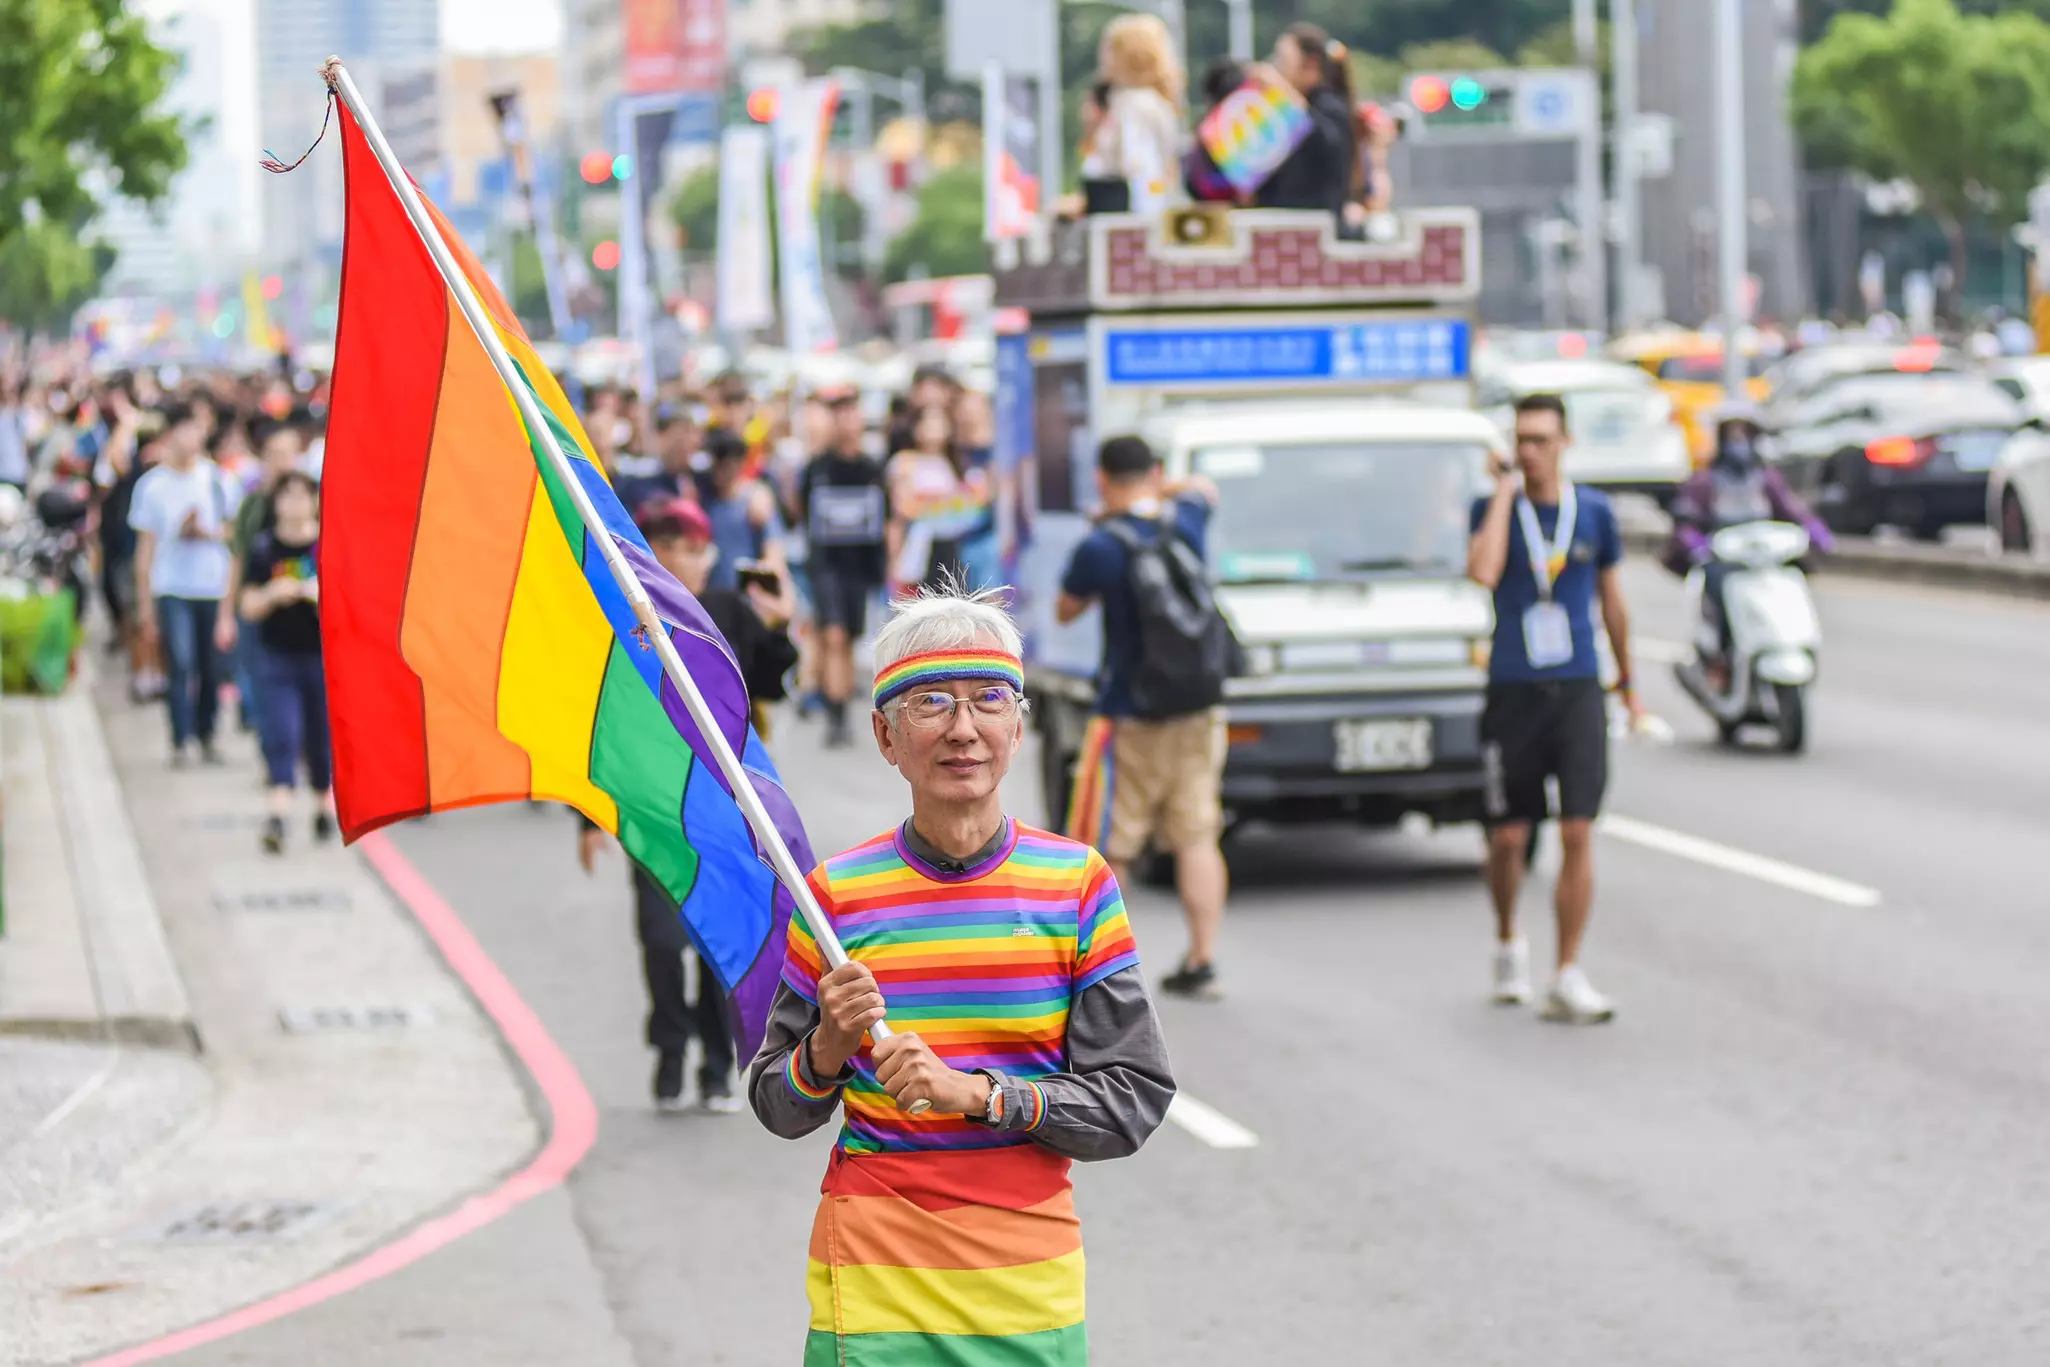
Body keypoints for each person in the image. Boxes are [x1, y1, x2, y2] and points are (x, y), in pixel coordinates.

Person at [747, 587, 1173, 1365]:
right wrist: (828, 1049)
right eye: (931, 702)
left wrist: (979, 1093)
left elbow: (1133, 1098)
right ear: (884, 733)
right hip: (874, 1278)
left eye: (989, 699)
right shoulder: (834, 896)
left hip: (1026, 1279)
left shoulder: (1075, 884)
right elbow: (777, 1102)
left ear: (1019, 723)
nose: (963, 727)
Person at [581, 497, 796, 1111]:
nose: (684, 558)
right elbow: (604, 723)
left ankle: (710, 1060)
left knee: (716, 938)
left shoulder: (727, 608)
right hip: (653, 803)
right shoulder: (621, 616)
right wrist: (587, 817)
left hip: (729, 805)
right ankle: (670, 1048)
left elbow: (778, 676)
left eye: (694, 547)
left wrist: (777, 621)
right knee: (659, 938)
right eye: (668, 545)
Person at [1466, 394, 1645, 1025]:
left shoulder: (1592, 512)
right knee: (1510, 836)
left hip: (1576, 686)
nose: (1531, 451)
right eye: (1522, 440)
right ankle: (1508, 938)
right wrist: (1504, 495)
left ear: (1566, 442)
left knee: (1576, 828)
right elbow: (1482, 572)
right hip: (1513, 686)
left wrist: (1627, 679)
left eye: (1542, 439)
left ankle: (1567, 971)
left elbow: (1612, 600)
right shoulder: (1494, 509)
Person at [1054, 435, 1230, 998]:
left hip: (1128, 714)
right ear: (1153, 472)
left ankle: (1105, 974)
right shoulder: (1186, 523)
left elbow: (1065, 608)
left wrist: (1107, 518)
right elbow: (1205, 489)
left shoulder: (1101, 545)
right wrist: (1163, 488)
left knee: (1110, 844)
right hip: (1198, 710)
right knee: (1197, 835)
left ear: (1103, 478)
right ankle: (1203, 958)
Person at [1666, 405, 1834, 689]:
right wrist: (1696, 543)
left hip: (1763, 560)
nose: (1738, 442)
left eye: (1744, 434)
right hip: (1726, 562)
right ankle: (1721, 660)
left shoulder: (1765, 479)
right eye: (1732, 434)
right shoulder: (1706, 481)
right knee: (1718, 589)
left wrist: (1816, 532)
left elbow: (1792, 511)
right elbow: (1686, 522)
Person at [129, 400, 238, 767]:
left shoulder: (217, 479)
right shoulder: (152, 485)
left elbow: (234, 533)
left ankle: (206, 732)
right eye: (187, 428)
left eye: (199, 429)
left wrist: (206, 533)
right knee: (181, 662)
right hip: (171, 586)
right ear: (171, 433)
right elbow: (144, 550)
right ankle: (180, 739)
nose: (194, 437)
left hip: (212, 586)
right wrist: (145, 607)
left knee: (211, 667)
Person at [236, 470, 333, 854]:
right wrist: (273, 595)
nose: (293, 505)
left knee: (319, 737)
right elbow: (248, 605)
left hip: (321, 659)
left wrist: (317, 593)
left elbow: (352, 603)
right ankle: (278, 812)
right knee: (282, 732)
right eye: (286, 496)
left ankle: (324, 806)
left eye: (302, 496)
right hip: (276, 658)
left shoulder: (327, 546)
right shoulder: (264, 549)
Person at [796, 387, 888, 748]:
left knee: (847, 638)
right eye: (839, 414)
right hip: (826, 565)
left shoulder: (871, 468)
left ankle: (843, 710)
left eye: (852, 413)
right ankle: (835, 714)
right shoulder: (817, 468)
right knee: (832, 635)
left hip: (860, 566)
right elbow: (801, 513)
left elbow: (886, 518)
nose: (846, 422)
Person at [1254, 22, 1361, 224]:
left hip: (1318, 227)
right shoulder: (1278, 111)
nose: (1276, 67)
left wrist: (1282, 90)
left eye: (1283, 59)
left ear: (1310, 63)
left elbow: (1322, 143)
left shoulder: (1329, 106)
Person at [886, 403, 989, 595]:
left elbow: (973, 504)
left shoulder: (955, 464)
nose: (934, 427)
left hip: (952, 550)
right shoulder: (905, 463)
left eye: (940, 420)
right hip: (917, 549)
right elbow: (901, 510)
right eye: (928, 421)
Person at [1093, 12, 1186, 216]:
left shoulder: (1137, 104)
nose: (1102, 57)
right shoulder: (1140, 101)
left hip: (1132, 222)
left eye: (1110, 48)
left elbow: (1140, 170)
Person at [695, 427, 794, 602]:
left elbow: (774, 553)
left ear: (740, 464)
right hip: (712, 600)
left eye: (726, 464)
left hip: (748, 602)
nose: (720, 471)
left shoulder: (755, 502)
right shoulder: (704, 501)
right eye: (716, 463)